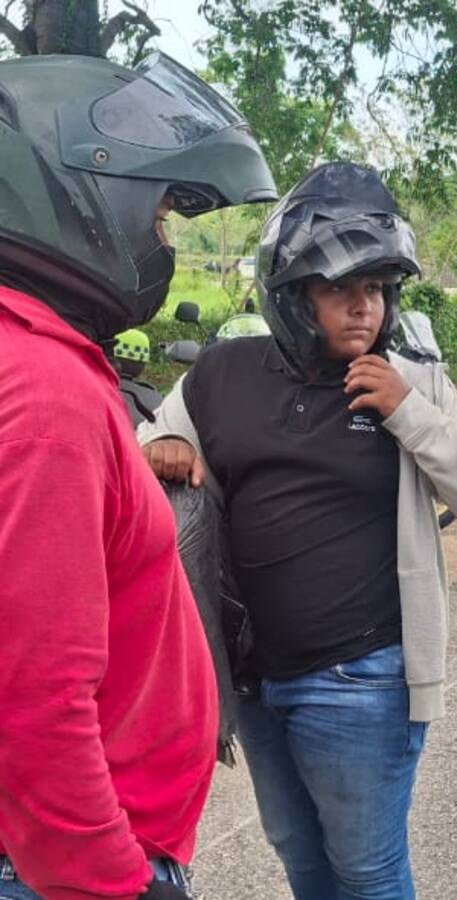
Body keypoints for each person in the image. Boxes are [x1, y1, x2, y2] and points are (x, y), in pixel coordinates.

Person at [139, 162, 457, 900]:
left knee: (368, 873)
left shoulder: (417, 380)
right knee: (301, 860)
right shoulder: (222, 374)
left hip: (362, 679)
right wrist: (161, 449)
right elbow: (130, 467)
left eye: (376, 289)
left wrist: (408, 411)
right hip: (253, 677)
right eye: (340, 288)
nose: (364, 307)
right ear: (291, 294)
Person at [0, 52, 276, 899]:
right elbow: (34, 696)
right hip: (71, 866)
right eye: (161, 214)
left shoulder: (33, 362)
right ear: (80, 195)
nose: (163, 241)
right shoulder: (46, 394)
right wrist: (114, 882)